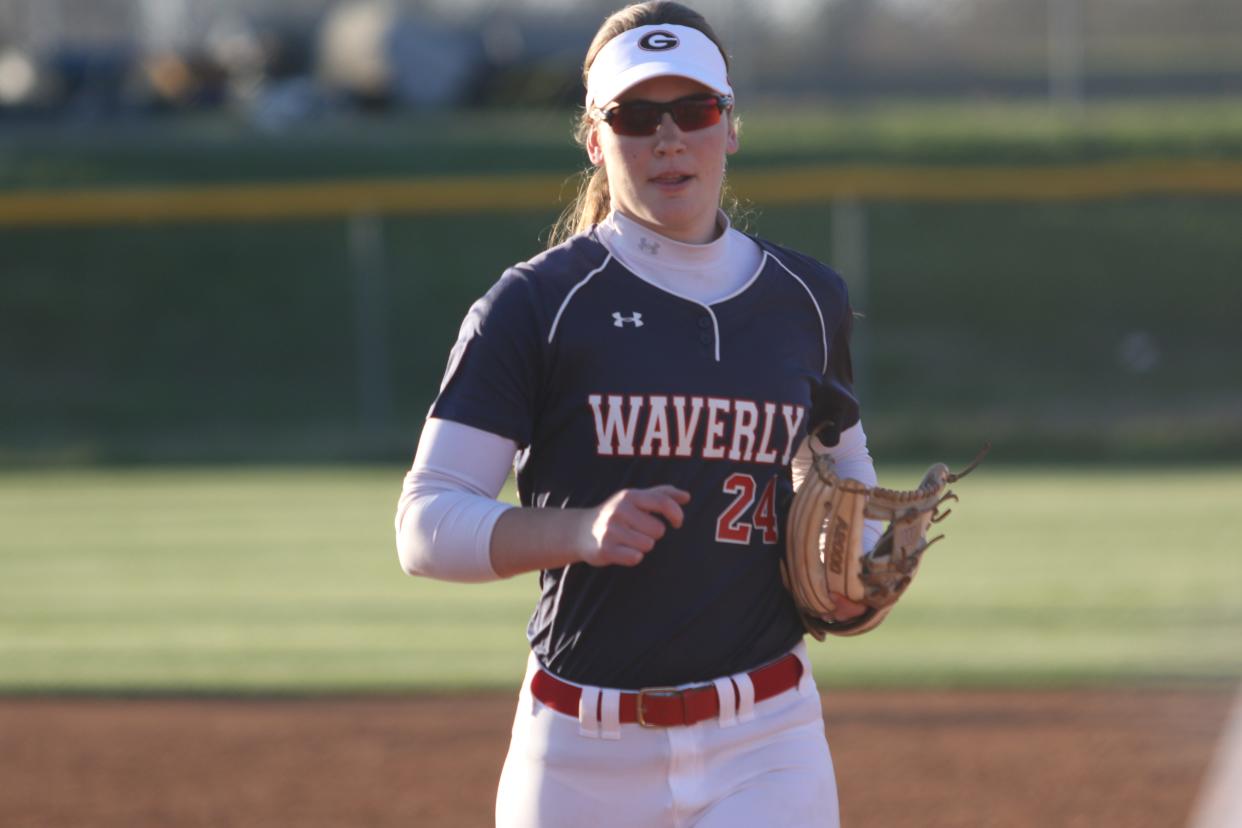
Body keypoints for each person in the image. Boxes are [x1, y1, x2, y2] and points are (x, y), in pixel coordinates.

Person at [395, 3, 883, 825]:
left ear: (730, 127)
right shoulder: (537, 304)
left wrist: (858, 565)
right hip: (582, 748)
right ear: (594, 137)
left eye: (694, 111)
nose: (668, 139)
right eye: (634, 116)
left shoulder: (806, 299)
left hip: (769, 736)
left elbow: (843, 469)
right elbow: (424, 524)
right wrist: (577, 532)